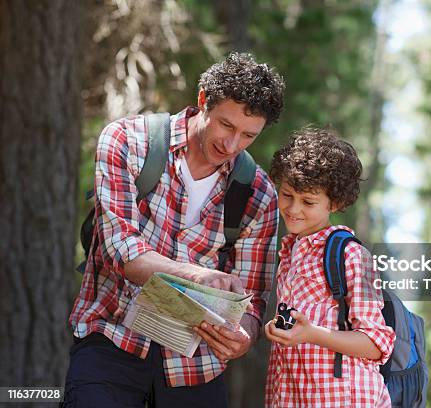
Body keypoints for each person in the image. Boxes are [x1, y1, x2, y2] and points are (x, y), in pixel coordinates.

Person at [62, 53, 285, 407]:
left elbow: (253, 300)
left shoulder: (258, 194)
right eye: (226, 125)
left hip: (197, 370)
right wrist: (199, 275)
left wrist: (245, 336)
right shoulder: (127, 141)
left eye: (248, 136)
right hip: (112, 345)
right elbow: (124, 254)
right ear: (202, 101)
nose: (231, 145)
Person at [263, 127, 396, 407]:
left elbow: (376, 343)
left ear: (334, 202)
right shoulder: (288, 253)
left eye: (308, 201)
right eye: (287, 195)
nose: (293, 209)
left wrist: (312, 334)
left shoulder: (352, 255)